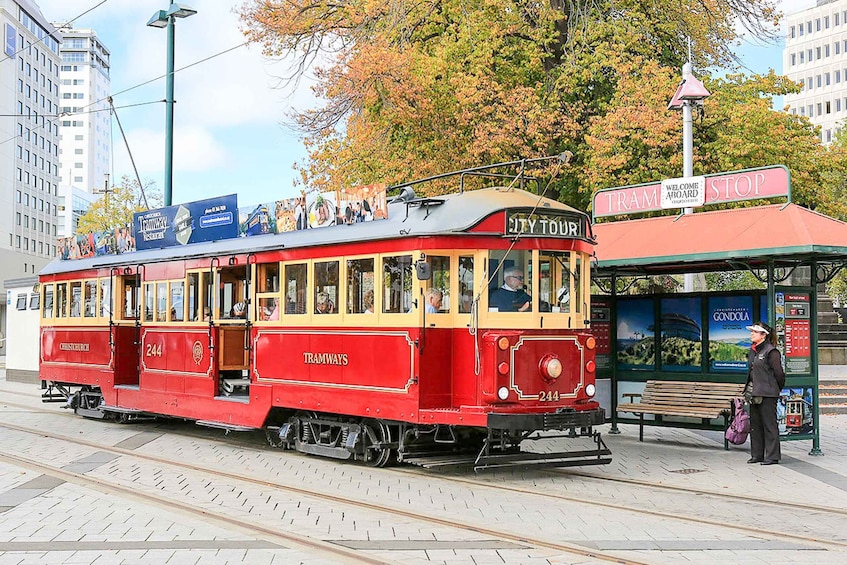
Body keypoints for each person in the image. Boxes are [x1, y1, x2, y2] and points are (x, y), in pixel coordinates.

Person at [745, 321, 785, 465]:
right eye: (752, 332)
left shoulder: (771, 351)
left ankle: (772, 456)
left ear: (763, 335)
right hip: (754, 392)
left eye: (755, 332)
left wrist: (774, 388)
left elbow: (779, 374)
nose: (752, 334)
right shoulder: (753, 350)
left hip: (768, 394)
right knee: (755, 425)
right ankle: (757, 455)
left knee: (769, 425)